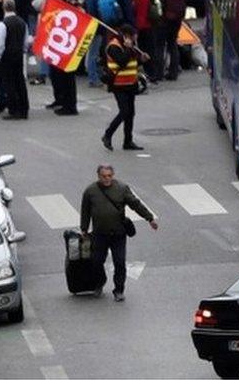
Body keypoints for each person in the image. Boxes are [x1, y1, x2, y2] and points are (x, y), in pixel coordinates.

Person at [79, 164, 157, 301]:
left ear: (113, 175)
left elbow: (135, 204)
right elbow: (85, 211)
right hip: (99, 234)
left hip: (118, 234)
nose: (106, 179)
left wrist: (149, 218)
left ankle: (119, 290)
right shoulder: (90, 191)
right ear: (98, 176)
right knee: (97, 262)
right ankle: (99, 283)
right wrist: (84, 229)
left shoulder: (121, 188)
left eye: (109, 176)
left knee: (120, 262)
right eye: (103, 176)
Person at [103, 25, 148, 150]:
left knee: (130, 114)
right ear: (126, 36)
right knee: (124, 111)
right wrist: (128, 49)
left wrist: (141, 60)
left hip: (130, 83)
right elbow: (121, 62)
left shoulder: (131, 46)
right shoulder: (114, 46)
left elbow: (132, 62)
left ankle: (128, 141)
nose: (135, 39)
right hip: (118, 84)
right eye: (133, 36)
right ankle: (108, 134)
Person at [0, 0, 29, 120]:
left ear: (3, 8)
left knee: (9, 82)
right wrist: (24, 50)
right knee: (20, 81)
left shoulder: (3, 24)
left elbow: (0, 43)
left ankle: (13, 109)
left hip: (7, 55)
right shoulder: (22, 22)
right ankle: (24, 109)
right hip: (18, 54)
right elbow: (26, 40)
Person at [154, 0, 184, 81]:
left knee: (159, 47)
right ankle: (173, 72)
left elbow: (156, 11)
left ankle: (159, 73)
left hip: (162, 24)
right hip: (176, 23)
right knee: (173, 45)